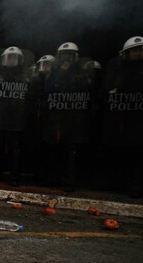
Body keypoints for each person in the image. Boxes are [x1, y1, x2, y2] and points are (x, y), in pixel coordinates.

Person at [102, 36, 143, 197]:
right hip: (123, 117)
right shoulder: (118, 69)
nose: (138, 54)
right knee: (122, 152)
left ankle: (138, 186)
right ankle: (119, 184)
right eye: (134, 51)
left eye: (140, 50)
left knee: (141, 152)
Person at [41, 42, 94, 191]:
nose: (66, 59)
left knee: (71, 149)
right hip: (56, 117)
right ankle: (53, 178)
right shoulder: (53, 73)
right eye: (64, 55)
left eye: (69, 56)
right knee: (54, 149)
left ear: (75, 57)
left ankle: (70, 180)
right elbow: (48, 90)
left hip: (74, 117)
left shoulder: (81, 74)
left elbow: (86, 92)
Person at [0, 46, 31, 184]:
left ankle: (14, 175)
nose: (11, 60)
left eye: (14, 58)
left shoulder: (23, 77)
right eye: (9, 57)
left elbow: (27, 98)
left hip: (15, 117)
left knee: (15, 147)